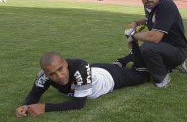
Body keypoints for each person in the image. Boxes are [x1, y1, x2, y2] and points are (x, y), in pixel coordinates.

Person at [15, 43, 149, 118]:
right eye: (53, 74)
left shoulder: (80, 67)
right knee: (116, 67)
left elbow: (79, 104)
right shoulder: (43, 75)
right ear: (46, 74)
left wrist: (44, 107)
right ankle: (122, 61)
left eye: (60, 69)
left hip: (111, 78)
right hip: (93, 70)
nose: (60, 76)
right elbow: (34, 94)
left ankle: (134, 49)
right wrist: (25, 106)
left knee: (144, 75)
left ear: (66, 63)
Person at [114, 0, 187, 88]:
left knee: (148, 49)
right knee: (143, 54)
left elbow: (155, 37)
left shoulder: (166, 6)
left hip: (177, 49)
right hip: (164, 46)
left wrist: (133, 35)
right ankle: (170, 65)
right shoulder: (150, 4)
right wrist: (136, 22)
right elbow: (150, 19)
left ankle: (162, 78)